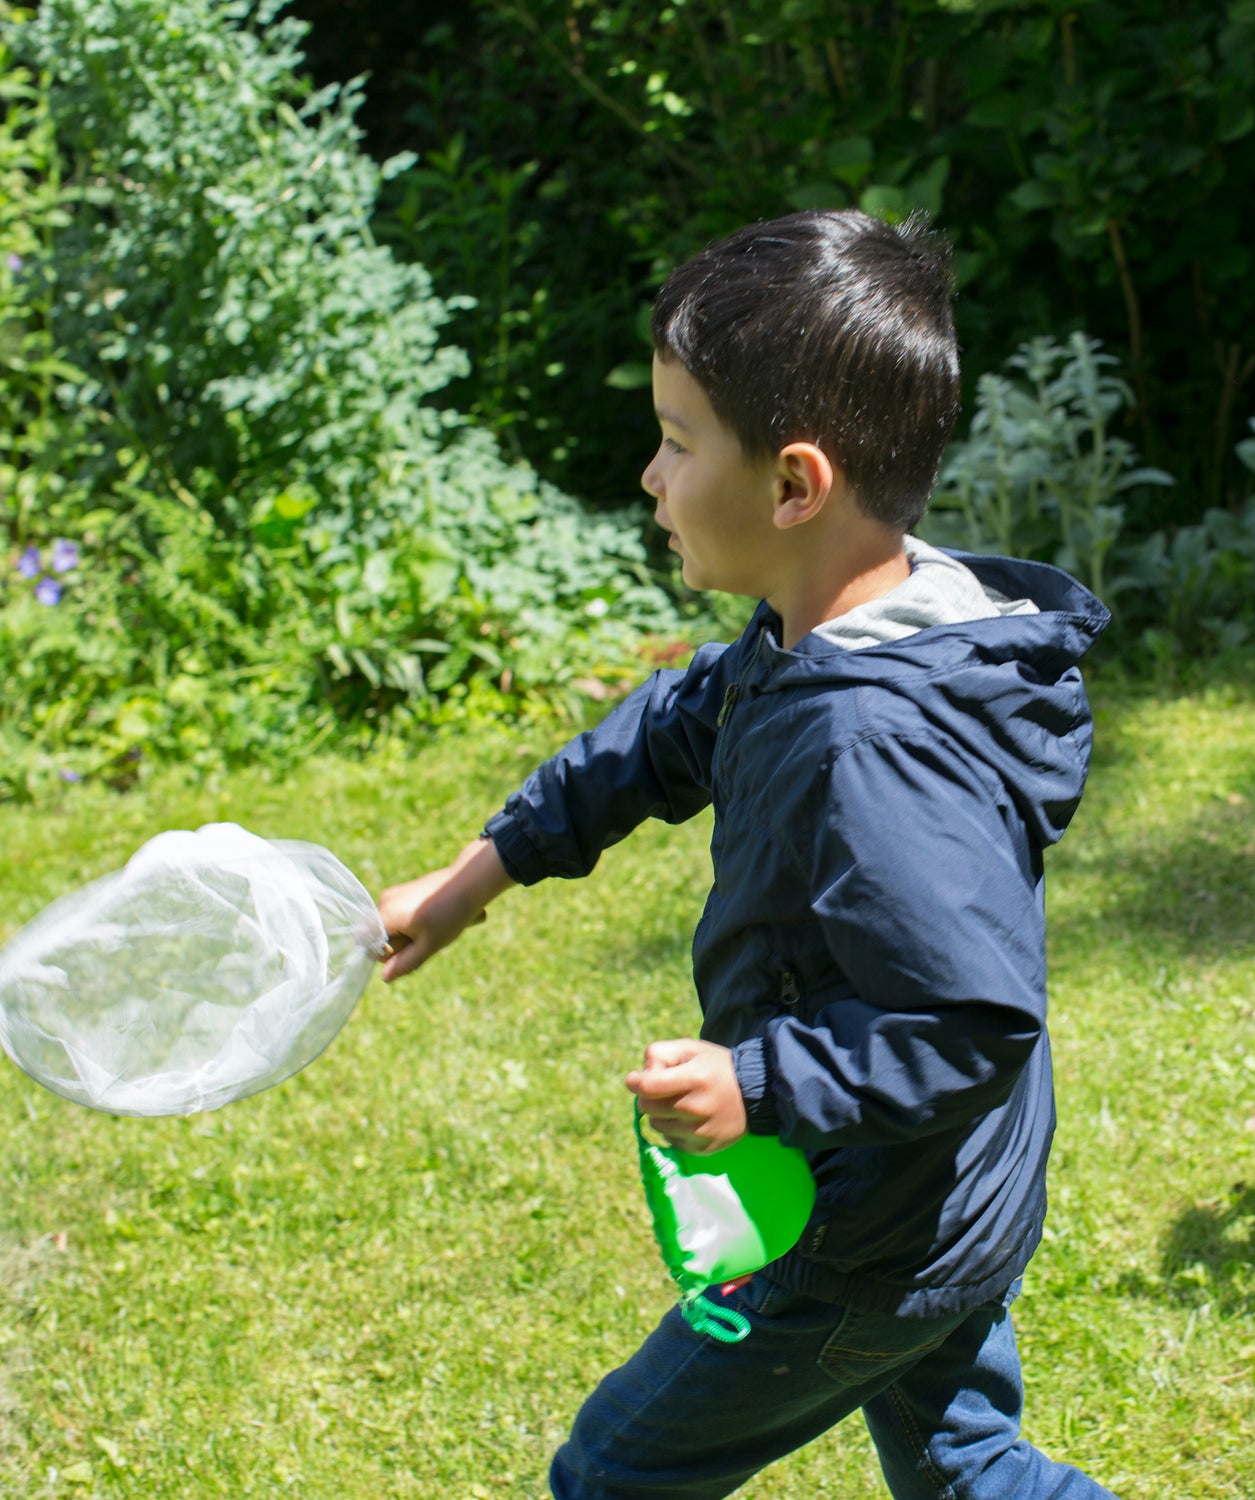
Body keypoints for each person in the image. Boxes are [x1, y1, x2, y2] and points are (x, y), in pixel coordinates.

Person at [377, 208, 1117, 1500]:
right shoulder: (833, 629)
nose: (651, 477)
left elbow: (969, 1013)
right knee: (967, 1468)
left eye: (675, 443)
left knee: (614, 1473)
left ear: (793, 485)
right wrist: (479, 872)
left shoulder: (873, 740)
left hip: (864, 1230)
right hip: (940, 1195)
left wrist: (759, 1084)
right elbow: (668, 732)